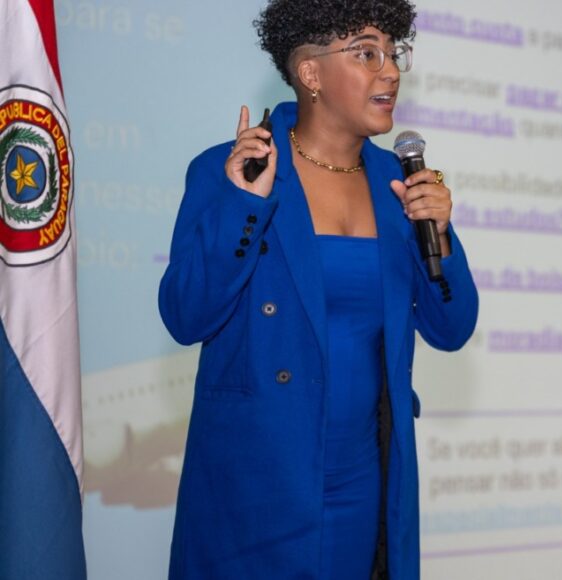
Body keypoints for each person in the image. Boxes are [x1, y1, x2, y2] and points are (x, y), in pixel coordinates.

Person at [157, 1, 478, 578]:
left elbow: (452, 331)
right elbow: (185, 316)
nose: (390, 71)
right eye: (367, 53)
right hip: (254, 483)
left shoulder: (399, 185)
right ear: (310, 74)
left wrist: (444, 237)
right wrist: (242, 208)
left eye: (393, 52)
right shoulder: (234, 169)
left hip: (363, 482)